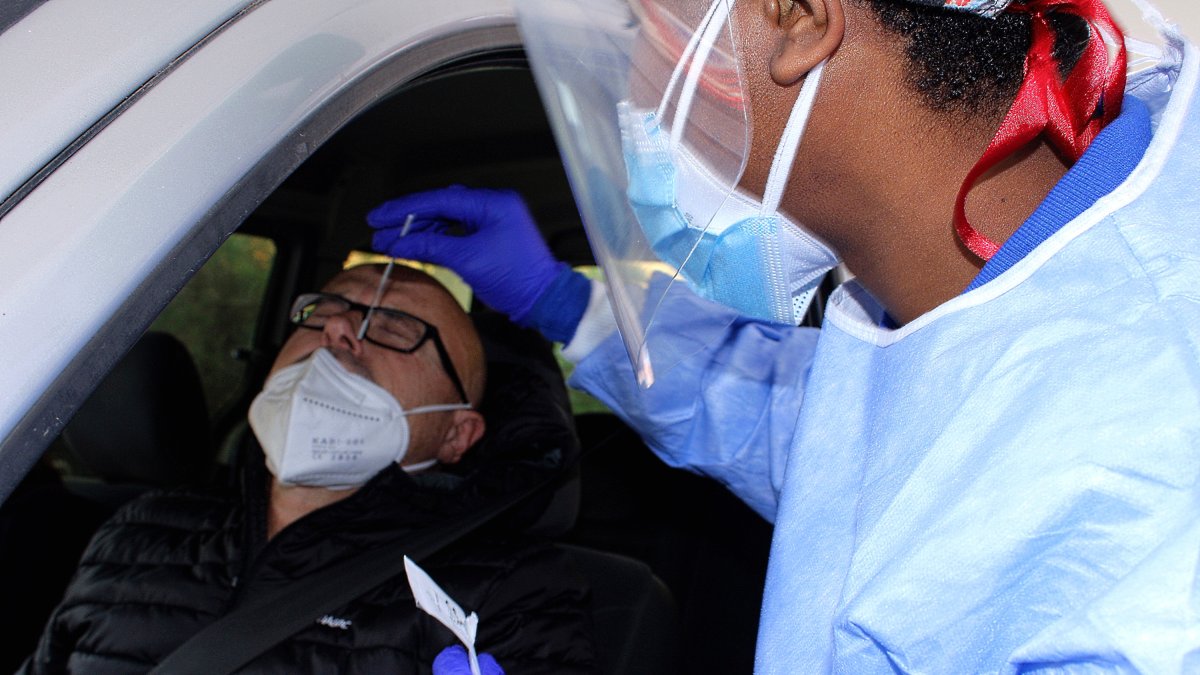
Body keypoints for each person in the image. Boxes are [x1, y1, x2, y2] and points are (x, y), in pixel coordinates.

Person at [366, 0, 1200, 671]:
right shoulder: (958, 313)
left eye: (645, 24)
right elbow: (806, 429)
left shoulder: (1151, 512)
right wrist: (560, 301)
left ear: (796, 18)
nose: (632, 82)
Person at [21, 263, 596, 674]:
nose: (338, 332)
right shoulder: (134, 533)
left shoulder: (510, 592)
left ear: (456, 434)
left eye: (394, 328)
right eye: (322, 312)